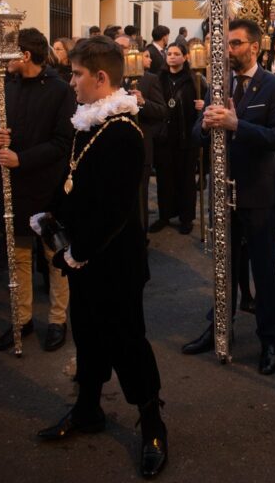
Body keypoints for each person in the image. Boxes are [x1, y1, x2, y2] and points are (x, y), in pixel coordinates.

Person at [37, 36, 167, 478]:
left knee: (127, 342)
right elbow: (72, 176)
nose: (71, 81)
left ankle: (153, 424)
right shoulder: (87, 122)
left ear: (100, 77)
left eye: (76, 74)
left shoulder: (124, 133)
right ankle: (88, 409)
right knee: (88, 336)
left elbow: (114, 210)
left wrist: (77, 253)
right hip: (84, 256)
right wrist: (52, 212)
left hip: (114, 260)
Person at [182, 18, 275, 375]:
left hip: (259, 193)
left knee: (264, 269)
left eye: (235, 43)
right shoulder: (218, 85)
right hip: (222, 191)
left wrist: (236, 125)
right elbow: (196, 134)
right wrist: (206, 124)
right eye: (225, 44)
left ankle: (270, 339)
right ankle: (219, 328)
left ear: (254, 47)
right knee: (223, 267)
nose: (227, 50)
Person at [0, 28, 74, 353]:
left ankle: (57, 320)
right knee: (19, 257)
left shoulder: (59, 90)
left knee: (54, 256)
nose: (3, 59)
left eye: (9, 52)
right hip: (14, 188)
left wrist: (21, 159)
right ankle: (22, 318)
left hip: (47, 186)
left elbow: (62, 143)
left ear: (25, 55)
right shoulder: (6, 86)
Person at [149, 43, 205, 235]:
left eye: (176, 54)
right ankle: (164, 215)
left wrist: (203, 105)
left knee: (186, 180)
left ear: (185, 57)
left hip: (186, 137)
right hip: (164, 137)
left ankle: (186, 218)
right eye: (169, 53)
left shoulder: (194, 80)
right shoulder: (159, 78)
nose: (172, 56)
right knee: (164, 179)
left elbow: (207, 102)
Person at [124, 51, 168, 233]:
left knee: (140, 194)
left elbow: (162, 110)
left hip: (142, 144)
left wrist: (143, 102)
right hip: (121, 145)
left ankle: (141, 236)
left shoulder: (150, 80)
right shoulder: (115, 78)